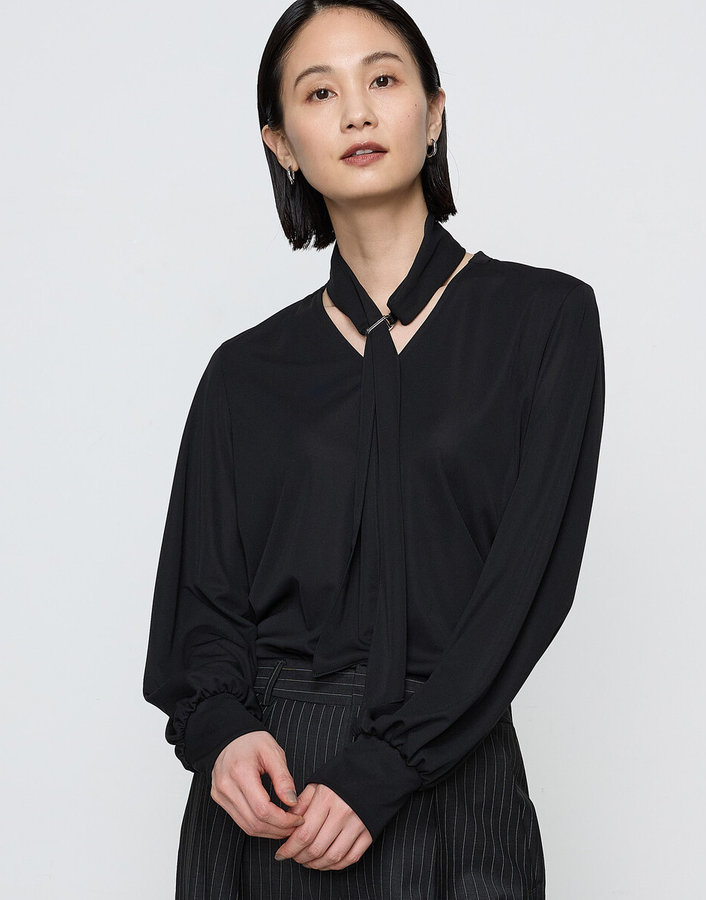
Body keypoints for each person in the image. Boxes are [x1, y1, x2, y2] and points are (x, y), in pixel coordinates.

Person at [142, 1, 606, 897]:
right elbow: (202, 603)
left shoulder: (544, 321)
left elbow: (526, 584)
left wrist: (388, 764)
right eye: (320, 93)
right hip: (272, 794)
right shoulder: (244, 372)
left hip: (452, 770)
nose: (356, 111)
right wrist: (222, 734)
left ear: (433, 113)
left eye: (383, 80)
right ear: (282, 144)